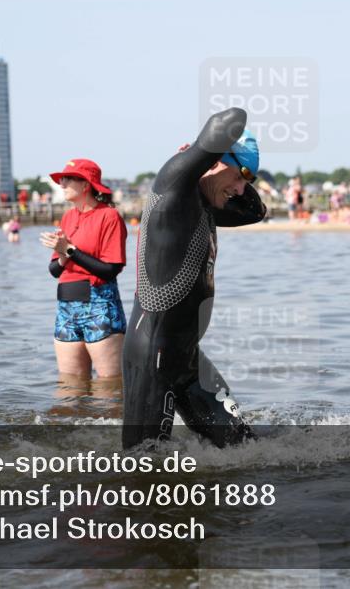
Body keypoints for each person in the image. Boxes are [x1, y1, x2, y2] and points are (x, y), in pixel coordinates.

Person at [122, 108, 266, 449]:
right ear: (215, 160)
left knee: (243, 448)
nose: (241, 188)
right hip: (152, 355)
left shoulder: (205, 205)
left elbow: (255, 212)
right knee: (142, 467)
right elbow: (231, 118)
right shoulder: (173, 187)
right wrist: (205, 155)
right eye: (240, 175)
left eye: (249, 180)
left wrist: (240, 168)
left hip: (187, 356)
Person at [39, 159, 128, 384]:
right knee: (69, 386)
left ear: (86, 184)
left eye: (68, 179)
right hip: (66, 307)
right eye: (61, 179)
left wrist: (69, 249)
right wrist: (62, 254)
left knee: (109, 386)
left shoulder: (109, 216)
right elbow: (54, 270)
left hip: (99, 305)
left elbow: (110, 270)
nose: (62, 183)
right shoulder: (68, 217)